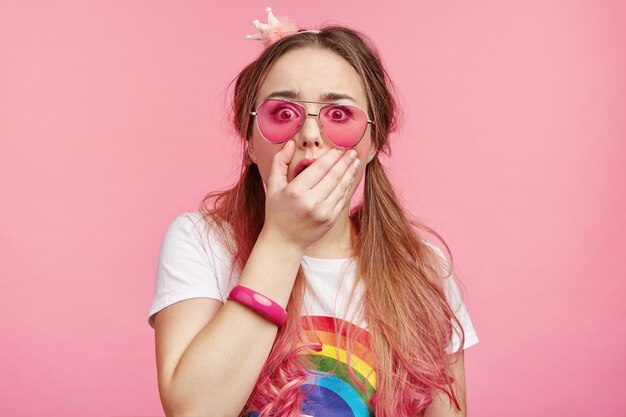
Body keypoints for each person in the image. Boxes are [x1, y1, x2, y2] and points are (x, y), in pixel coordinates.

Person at [147, 7, 479, 417]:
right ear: (249, 141)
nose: (308, 135)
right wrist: (283, 240)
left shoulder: (425, 267)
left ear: (374, 143)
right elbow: (194, 411)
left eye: (338, 115)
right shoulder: (200, 241)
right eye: (282, 113)